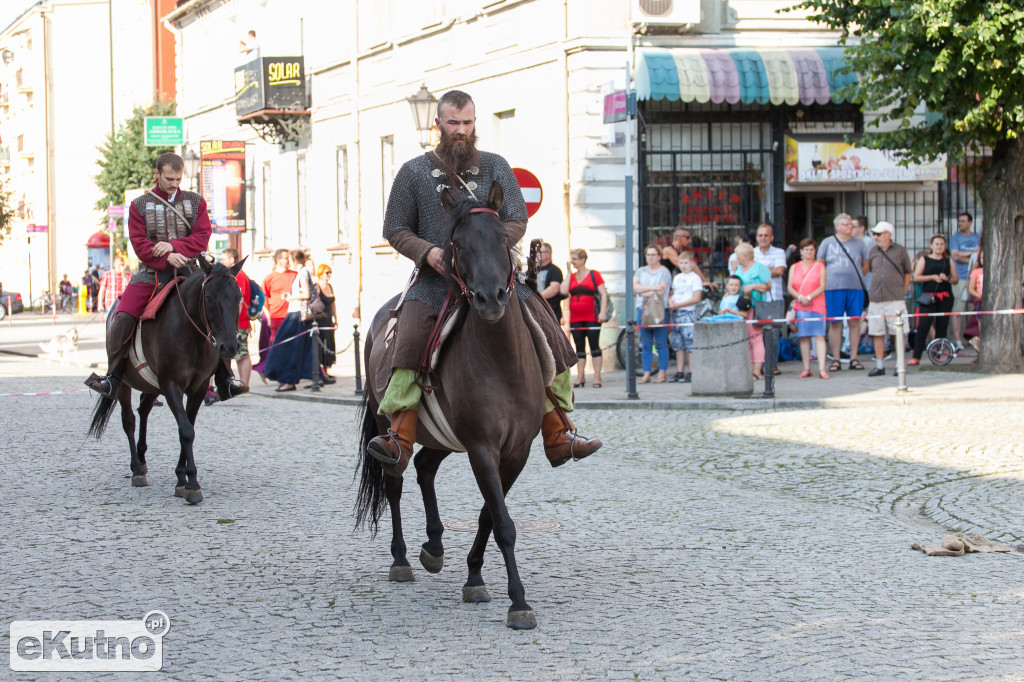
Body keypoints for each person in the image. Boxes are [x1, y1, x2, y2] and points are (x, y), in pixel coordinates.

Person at [366, 89, 601, 476]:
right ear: (438, 124)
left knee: (548, 331)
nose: (461, 130)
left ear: (475, 124)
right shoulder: (413, 172)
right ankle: (400, 434)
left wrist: (489, 246)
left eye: (468, 123)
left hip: (492, 275)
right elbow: (394, 228)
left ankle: (558, 429)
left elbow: (517, 218)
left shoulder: (495, 165)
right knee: (408, 341)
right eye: (453, 123)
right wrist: (428, 252)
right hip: (436, 280)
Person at [84, 152, 246, 401]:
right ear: (157, 174)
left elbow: (202, 236)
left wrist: (173, 247)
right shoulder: (138, 205)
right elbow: (139, 243)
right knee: (124, 314)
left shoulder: (195, 201)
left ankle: (224, 378)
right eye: (169, 178)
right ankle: (113, 376)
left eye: (178, 179)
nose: (174, 184)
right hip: (151, 273)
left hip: (189, 269)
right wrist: (164, 258)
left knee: (216, 308)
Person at [817, 213, 869, 372]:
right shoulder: (827, 242)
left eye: (851, 225)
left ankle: (853, 358)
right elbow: (820, 265)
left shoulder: (860, 244)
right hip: (833, 288)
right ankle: (836, 359)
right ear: (837, 226)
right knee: (835, 323)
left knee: (855, 322)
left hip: (855, 288)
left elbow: (865, 265)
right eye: (846, 224)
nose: (849, 227)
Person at [265, 250, 321, 391]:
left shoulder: (302, 273)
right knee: (292, 348)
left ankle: (290, 381)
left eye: (290, 259)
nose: (289, 262)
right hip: (295, 313)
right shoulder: (302, 273)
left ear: (295, 260)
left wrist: (291, 298)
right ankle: (305, 379)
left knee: (287, 347)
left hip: (296, 314)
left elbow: (306, 294)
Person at [865, 222, 912, 376]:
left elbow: (907, 272)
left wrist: (903, 290)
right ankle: (880, 365)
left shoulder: (900, 250)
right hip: (876, 299)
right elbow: (869, 270)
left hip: (895, 299)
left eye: (878, 234)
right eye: (875, 234)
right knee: (877, 332)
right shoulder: (873, 251)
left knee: (899, 332)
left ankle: (899, 365)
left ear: (888, 234)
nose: (876, 237)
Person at [560, 249, 607, 388]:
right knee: (579, 347)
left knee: (594, 346)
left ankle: (597, 377)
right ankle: (580, 377)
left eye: (574, 259)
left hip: (592, 316)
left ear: (582, 260)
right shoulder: (572, 276)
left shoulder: (594, 275)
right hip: (576, 318)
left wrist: (603, 312)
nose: (572, 261)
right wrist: (568, 272)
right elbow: (563, 291)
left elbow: (603, 294)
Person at [910, 233, 958, 365]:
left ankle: (937, 355)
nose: (939, 247)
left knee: (942, 327)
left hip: (945, 297)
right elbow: (916, 277)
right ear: (931, 246)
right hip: (928, 297)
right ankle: (916, 356)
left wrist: (946, 278)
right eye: (937, 244)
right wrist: (932, 277)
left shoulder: (948, 261)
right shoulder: (924, 259)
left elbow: (955, 280)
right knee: (923, 326)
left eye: (942, 244)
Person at [788, 238, 829, 379]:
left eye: (811, 249)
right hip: (801, 305)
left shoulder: (820, 266)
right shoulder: (795, 267)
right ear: (801, 251)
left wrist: (809, 297)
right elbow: (790, 287)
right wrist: (800, 298)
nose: (809, 252)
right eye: (806, 249)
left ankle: (822, 368)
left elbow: (822, 286)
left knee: (819, 336)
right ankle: (806, 368)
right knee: (804, 337)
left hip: (817, 304)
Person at [634, 244, 672, 384]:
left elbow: (662, 290)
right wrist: (653, 288)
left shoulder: (664, 272)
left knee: (661, 342)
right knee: (645, 343)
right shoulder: (640, 271)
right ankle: (646, 373)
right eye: (648, 254)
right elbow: (635, 288)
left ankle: (662, 373)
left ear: (659, 256)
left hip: (660, 309)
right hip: (642, 309)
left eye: (653, 255)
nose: (650, 257)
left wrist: (644, 290)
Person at [734, 242, 772, 379]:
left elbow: (768, 286)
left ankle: (757, 370)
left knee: (756, 338)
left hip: (756, 307)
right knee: (747, 338)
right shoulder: (739, 269)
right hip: (742, 307)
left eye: (738, 255)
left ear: (745, 256)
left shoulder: (761, 268)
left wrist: (754, 285)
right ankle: (749, 369)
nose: (736, 258)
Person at [667, 251, 702, 383]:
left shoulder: (695, 278)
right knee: (678, 344)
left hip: (687, 313)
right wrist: (671, 302)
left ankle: (691, 371)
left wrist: (680, 304)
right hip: (676, 313)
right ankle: (679, 371)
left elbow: (696, 298)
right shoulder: (677, 278)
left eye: (686, 263)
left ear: (692, 263)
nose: (683, 266)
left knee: (690, 344)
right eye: (681, 263)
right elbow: (673, 293)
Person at [221, 249, 252, 386]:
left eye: (224, 259)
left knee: (242, 354)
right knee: (236, 354)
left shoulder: (238, 275)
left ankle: (244, 384)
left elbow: (239, 300)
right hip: (237, 323)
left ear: (232, 260)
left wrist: (232, 322)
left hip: (239, 323)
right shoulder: (233, 275)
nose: (221, 262)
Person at [949, 212, 980, 350]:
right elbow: (955, 256)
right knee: (958, 309)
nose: (960, 223)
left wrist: (968, 256)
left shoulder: (977, 237)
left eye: (963, 221)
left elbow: (980, 255)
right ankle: (956, 339)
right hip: (960, 277)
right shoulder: (955, 238)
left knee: (973, 310)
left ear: (970, 223)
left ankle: (972, 338)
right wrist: (972, 256)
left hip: (975, 278)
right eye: (959, 221)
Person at [315, 263, 338, 380]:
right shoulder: (316, 287)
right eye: (327, 272)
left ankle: (326, 369)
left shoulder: (330, 286)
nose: (329, 275)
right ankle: (320, 371)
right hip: (320, 319)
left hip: (329, 319)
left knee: (329, 343)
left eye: (330, 272)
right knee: (321, 344)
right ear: (320, 273)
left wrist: (336, 318)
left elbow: (333, 303)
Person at [753, 223, 787, 303]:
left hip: (775, 297)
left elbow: (779, 271)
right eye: (760, 235)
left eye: (766, 235)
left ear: (772, 238)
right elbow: (748, 273)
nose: (763, 238)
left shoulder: (779, 252)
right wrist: (771, 269)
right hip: (755, 298)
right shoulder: (751, 253)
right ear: (757, 238)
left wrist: (757, 270)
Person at [535, 242, 565, 322]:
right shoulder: (531, 271)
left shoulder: (555, 270)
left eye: (540, 252)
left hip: (550, 311)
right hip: (534, 311)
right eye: (536, 252)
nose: (537, 254)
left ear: (549, 254)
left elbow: (554, 289)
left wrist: (534, 298)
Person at [966, 249, 984, 352]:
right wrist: (979, 295)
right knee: (981, 330)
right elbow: (971, 289)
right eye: (982, 258)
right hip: (981, 302)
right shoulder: (976, 272)